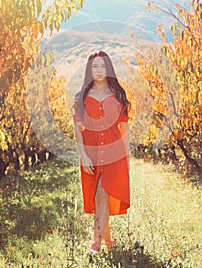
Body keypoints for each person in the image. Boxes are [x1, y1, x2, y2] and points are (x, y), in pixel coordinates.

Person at [73, 50, 131, 254]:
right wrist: (84, 154)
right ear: (90, 70)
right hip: (92, 149)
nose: (99, 70)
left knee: (102, 194)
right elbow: (77, 128)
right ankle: (108, 241)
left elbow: (124, 128)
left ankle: (95, 244)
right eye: (95, 66)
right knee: (99, 198)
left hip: (114, 149)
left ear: (109, 69)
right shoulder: (82, 96)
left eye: (103, 66)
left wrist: (127, 156)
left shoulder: (118, 95)